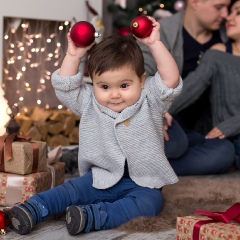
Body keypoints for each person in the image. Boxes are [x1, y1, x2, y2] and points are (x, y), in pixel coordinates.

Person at [4, 17, 182, 235]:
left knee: (149, 205)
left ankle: (92, 215)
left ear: (142, 81)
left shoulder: (150, 98)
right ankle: (33, 208)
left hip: (145, 184)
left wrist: (154, 44)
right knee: (72, 190)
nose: (115, 94)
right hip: (102, 176)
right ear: (94, 83)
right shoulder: (89, 101)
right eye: (105, 86)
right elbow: (66, 86)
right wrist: (74, 55)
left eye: (125, 85)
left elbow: (171, 80)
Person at [139, 0, 235, 175]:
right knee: (174, 144)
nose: (225, 15)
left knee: (225, 152)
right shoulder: (161, 32)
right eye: (219, 7)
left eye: (227, 8)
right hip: (162, 119)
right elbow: (141, 79)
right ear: (195, 2)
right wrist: (155, 114)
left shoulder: (228, 35)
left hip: (198, 132)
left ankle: (134, 168)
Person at [170, 0, 240, 169]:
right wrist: (157, 111)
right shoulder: (218, 54)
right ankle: (140, 166)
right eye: (230, 11)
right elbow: (189, 89)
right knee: (223, 151)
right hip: (226, 143)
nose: (228, 17)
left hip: (229, 138)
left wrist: (233, 124)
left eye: (237, 12)